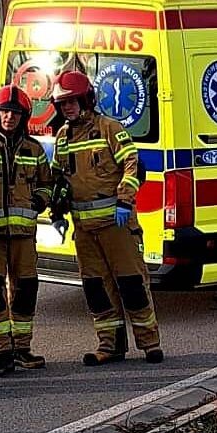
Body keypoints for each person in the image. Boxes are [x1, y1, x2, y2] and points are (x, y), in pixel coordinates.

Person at [50, 70, 163, 365]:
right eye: (63, 104)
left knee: (132, 284)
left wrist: (125, 201)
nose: (68, 108)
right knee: (97, 289)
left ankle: (150, 344)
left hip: (117, 225)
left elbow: (133, 164)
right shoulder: (63, 137)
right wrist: (58, 210)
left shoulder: (108, 127)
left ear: (86, 99)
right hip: (84, 230)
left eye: (72, 101)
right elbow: (59, 178)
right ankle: (109, 346)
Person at [0, 85, 50, 379]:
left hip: (24, 234)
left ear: (24, 117)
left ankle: (22, 348)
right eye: (5, 111)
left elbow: (48, 184)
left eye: (16, 113)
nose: (10, 117)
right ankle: (1, 352)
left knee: (25, 290)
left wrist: (39, 200)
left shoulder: (34, 149)